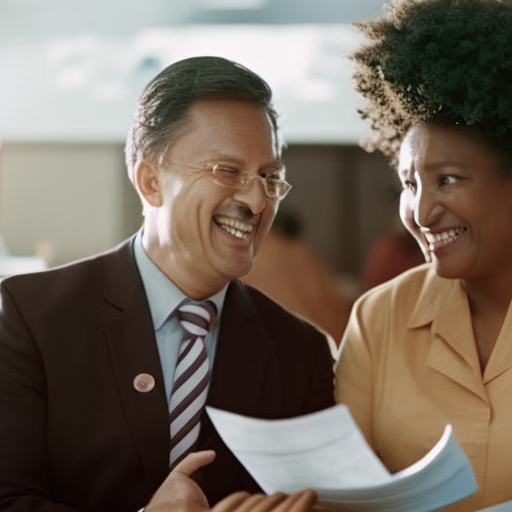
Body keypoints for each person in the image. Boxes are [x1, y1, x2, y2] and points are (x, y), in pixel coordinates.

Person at [0, 56, 335, 511]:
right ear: (150, 181)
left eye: (269, 177)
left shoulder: (301, 353)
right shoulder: (31, 317)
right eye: (227, 171)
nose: (256, 200)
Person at [334, 0, 512, 511]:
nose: (422, 210)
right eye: (409, 183)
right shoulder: (380, 317)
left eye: (448, 180)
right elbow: (343, 489)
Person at [243, 209, 353, 345]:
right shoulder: (307, 254)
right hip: (330, 348)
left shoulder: (250, 256)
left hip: (285, 350)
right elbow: (340, 307)